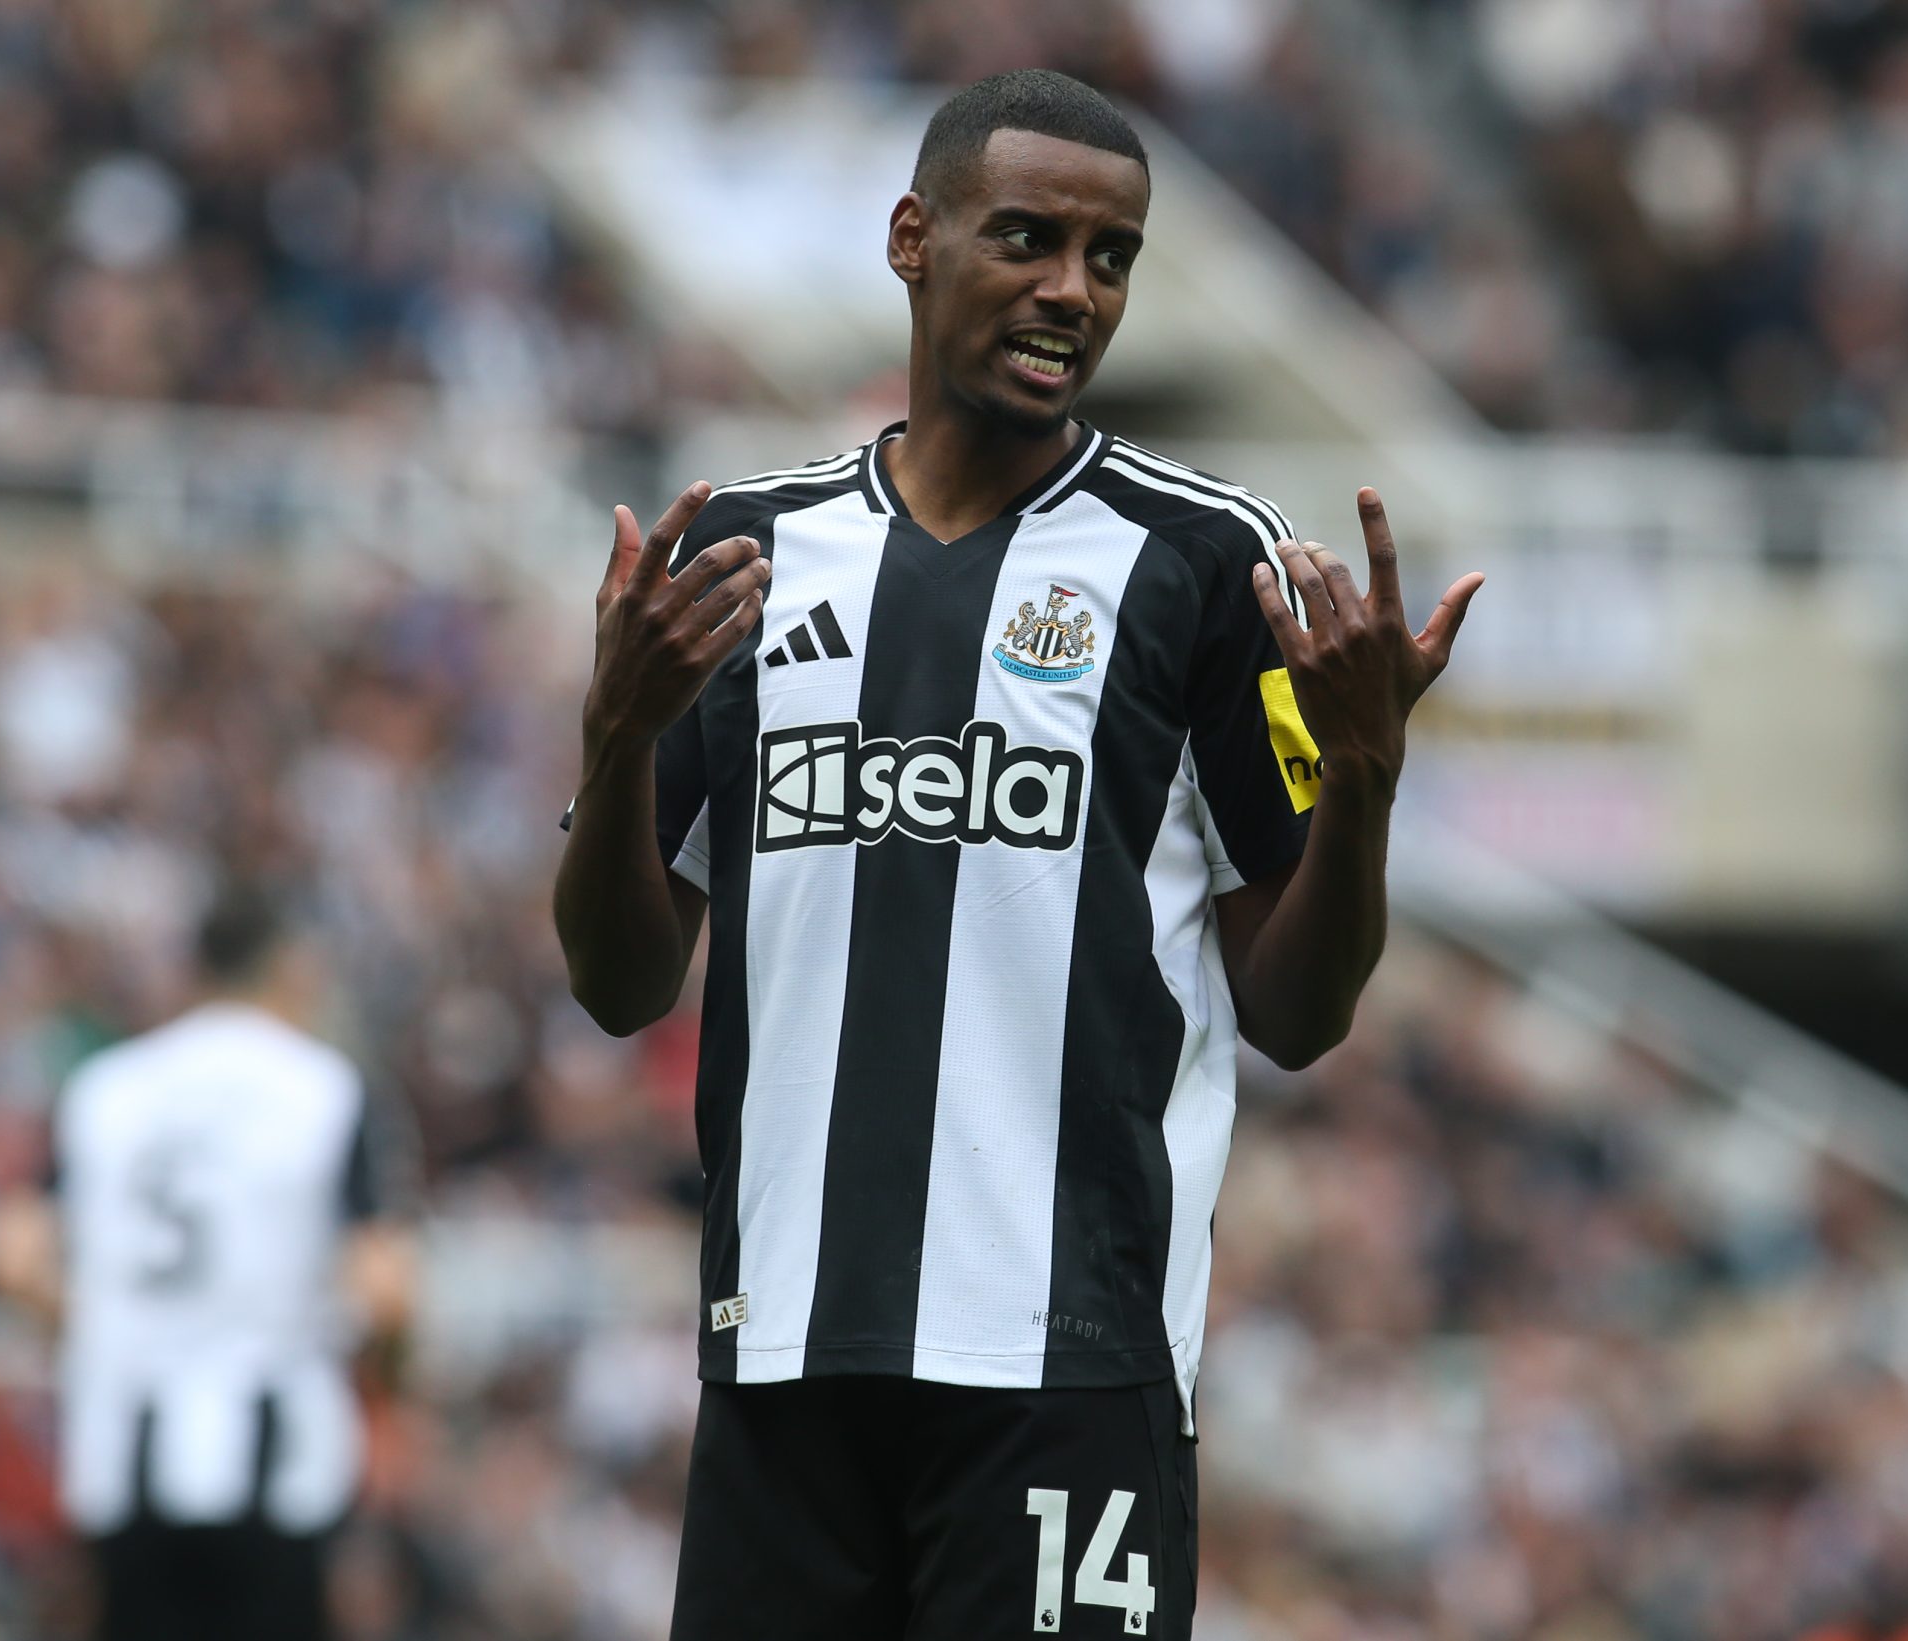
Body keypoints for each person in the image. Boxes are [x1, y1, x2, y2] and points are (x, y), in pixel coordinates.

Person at [552, 68, 1482, 1640]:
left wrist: (1367, 776)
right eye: (1029, 238)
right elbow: (615, 981)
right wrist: (617, 735)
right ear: (913, 239)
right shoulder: (747, 555)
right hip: (785, 1356)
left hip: (1070, 1366)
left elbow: (1301, 1012)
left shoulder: (1207, 563)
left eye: (1111, 257)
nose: (1073, 289)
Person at [0, 885, 414, 1641]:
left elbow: (9, 1254)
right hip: (276, 1448)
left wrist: (97, 1328)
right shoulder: (323, 1088)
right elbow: (386, 1289)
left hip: (126, 1443)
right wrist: (385, 1376)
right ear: (289, 969)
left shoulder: (110, 1087)